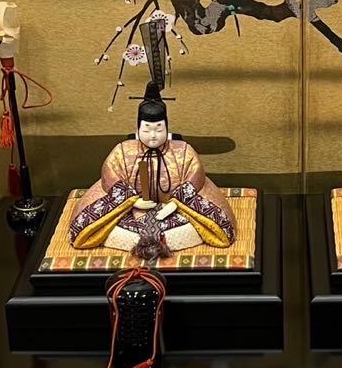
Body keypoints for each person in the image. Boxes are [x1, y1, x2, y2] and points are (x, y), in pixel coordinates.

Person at [70, 83, 235, 261]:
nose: (153, 135)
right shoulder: (123, 151)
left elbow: (195, 176)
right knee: (87, 224)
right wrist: (132, 201)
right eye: (147, 130)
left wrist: (176, 203)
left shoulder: (183, 150)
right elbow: (110, 175)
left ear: (167, 128)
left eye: (159, 129)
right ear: (138, 129)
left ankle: (164, 229)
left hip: (178, 207)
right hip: (129, 207)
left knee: (219, 223)